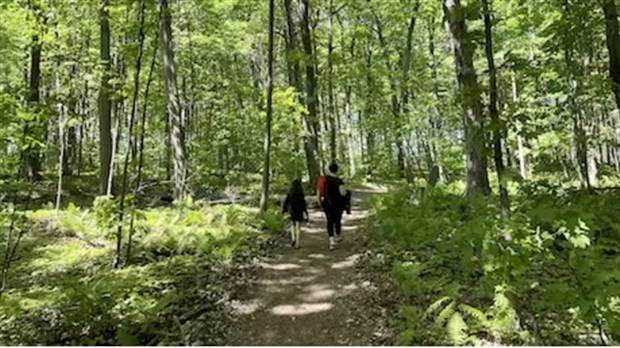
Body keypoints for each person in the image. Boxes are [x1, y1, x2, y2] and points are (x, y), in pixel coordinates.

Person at [317, 163, 349, 250]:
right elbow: (343, 193)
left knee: (329, 220)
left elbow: (319, 191)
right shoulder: (339, 181)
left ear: (329, 169)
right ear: (337, 170)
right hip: (338, 203)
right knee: (337, 219)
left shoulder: (324, 179)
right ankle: (338, 235)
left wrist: (319, 201)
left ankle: (331, 241)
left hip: (327, 202)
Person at [282, 179, 309, 248]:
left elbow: (286, 203)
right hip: (299, 211)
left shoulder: (290, 194)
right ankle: (297, 243)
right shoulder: (301, 194)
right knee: (298, 227)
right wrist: (306, 213)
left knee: (292, 225)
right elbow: (304, 204)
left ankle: (293, 238)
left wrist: (284, 211)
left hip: (292, 211)